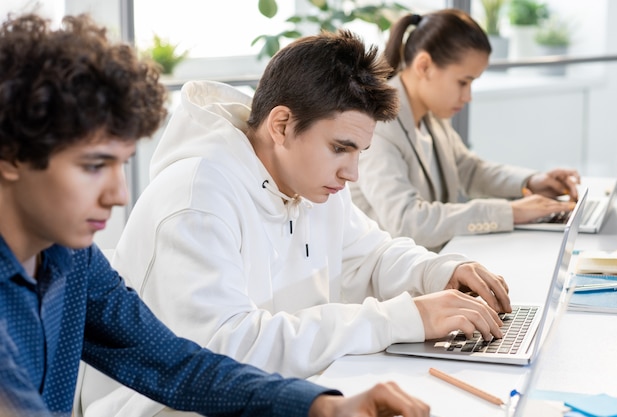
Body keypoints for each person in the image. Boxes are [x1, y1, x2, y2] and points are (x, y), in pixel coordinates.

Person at [0, 12, 433, 417]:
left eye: (120, 164)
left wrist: (320, 406)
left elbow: (176, 364)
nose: (119, 194)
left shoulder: (71, 257)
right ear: (12, 156)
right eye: (94, 166)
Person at [79, 25, 513, 416]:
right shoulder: (198, 197)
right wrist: (401, 318)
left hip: (279, 391)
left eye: (359, 152)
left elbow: (374, 255)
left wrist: (440, 271)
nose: (352, 172)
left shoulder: (311, 183)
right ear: (282, 125)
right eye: (340, 148)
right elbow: (230, 349)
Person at [349, 9, 580, 252]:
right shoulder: (378, 125)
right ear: (424, 66)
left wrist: (532, 181)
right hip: (392, 280)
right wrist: (510, 212)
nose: (468, 96)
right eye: (463, 82)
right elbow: (407, 221)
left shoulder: (429, 113)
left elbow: (468, 169)